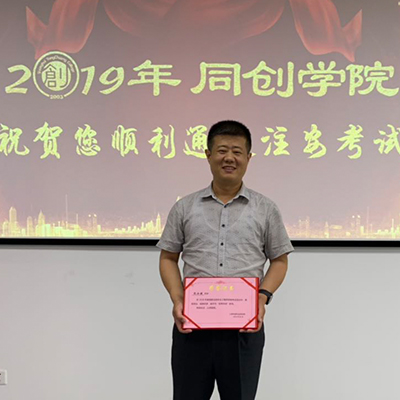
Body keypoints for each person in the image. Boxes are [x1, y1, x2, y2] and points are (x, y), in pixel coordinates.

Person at [157, 120, 294, 400]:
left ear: (248, 158)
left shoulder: (265, 209)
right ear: (208, 155)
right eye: (221, 151)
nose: (229, 158)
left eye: (237, 151)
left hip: (243, 331)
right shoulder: (184, 207)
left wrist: (262, 298)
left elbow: (279, 260)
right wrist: (178, 299)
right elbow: (168, 258)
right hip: (192, 327)